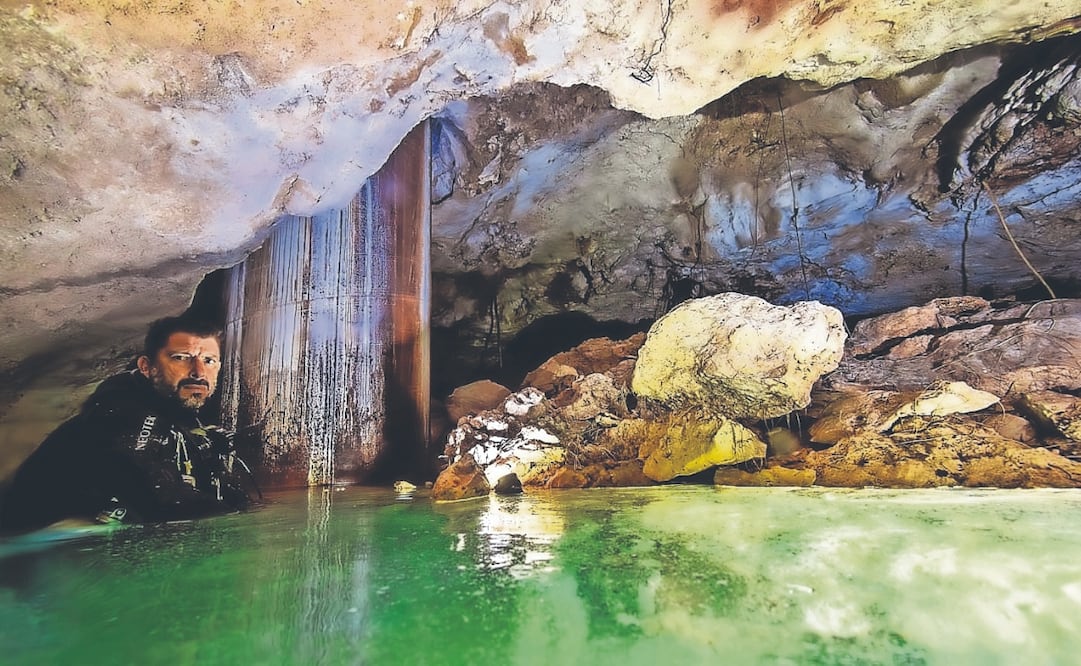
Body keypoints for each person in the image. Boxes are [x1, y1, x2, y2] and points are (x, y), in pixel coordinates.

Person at [0, 314, 252, 533]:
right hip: (29, 556)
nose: (198, 371)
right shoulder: (121, 413)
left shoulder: (182, 421)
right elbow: (159, 497)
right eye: (181, 357)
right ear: (146, 366)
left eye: (209, 360)